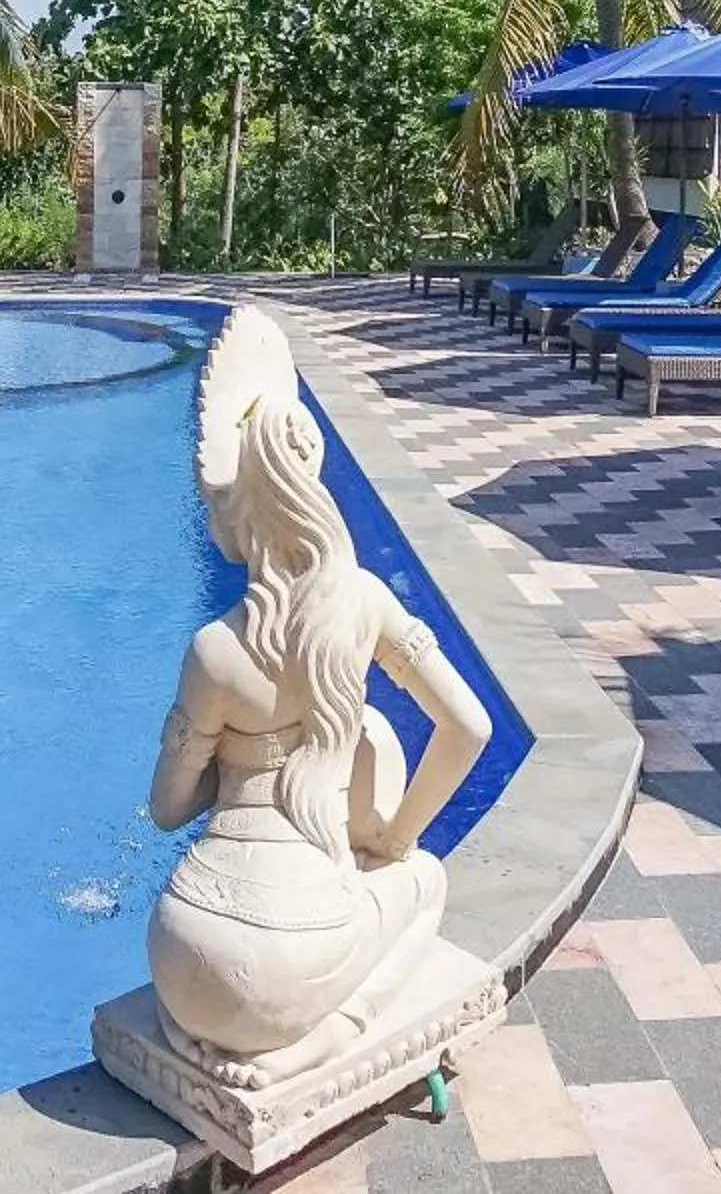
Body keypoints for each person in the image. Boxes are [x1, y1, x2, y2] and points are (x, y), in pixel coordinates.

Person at [144, 306, 491, 1085]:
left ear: (240, 511)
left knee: (209, 980)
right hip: (296, 948)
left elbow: (168, 810)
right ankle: (316, 1045)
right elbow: (467, 727)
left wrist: (224, 745)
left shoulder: (213, 652)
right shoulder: (364, 603)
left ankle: (198, 1031)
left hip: (180, 946)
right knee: (425, 881)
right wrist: (396, 840)